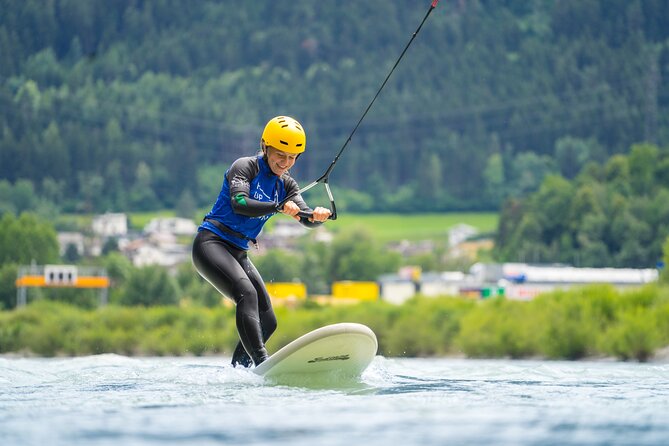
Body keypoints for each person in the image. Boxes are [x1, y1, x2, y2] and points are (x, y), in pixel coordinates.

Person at [192, 116, 331, 367]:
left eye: (292, 157)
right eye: (280, 154)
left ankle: (240, 370)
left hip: (238, 252)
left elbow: (305, 216)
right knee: (246, 293)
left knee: (269, 321)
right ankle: (262, 362)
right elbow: (240, 203)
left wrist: (318, 217)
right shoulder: (245, 167)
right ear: (265, 146)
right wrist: (277, 207)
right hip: (211, 244)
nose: (285, 162)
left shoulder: (286, 184)